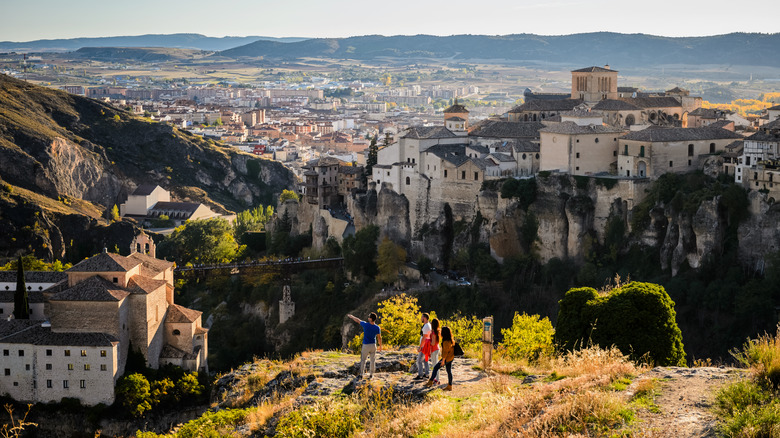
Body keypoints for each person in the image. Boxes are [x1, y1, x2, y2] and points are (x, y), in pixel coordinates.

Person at [347, 312, 382, 379]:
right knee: (372, 360)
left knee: (363, 360)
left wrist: (352, 316)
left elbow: (358, 320)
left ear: (371, 319)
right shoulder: (377, 327)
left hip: (366, 345)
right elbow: (379, 338)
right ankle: (371, 374)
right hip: (373, 345)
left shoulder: (365, 325)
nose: (368, 318)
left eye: (369, 317)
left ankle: (361, 374)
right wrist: (380, 347)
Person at [425, 326, 454, 391]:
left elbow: (445, 352)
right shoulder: (450, 339)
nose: (440, 333)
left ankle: (430, 382)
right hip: (450, 358)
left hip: (446, 358)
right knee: (449, 371)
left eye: (441, 331)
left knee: (435, 368)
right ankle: (450, 386)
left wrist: (443, 361)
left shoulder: (446, 342)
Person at [413, 312, 432, 380]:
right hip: (427, 345)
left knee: (419, 361)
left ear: (424, 318)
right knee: (425, 360)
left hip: (424, 345)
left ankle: (420, 375)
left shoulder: (426, 326)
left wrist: (420, 347)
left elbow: (424, 337)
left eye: (422, 317)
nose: (421, 318)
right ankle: (427, 374)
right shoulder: (428, 325)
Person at [428, 318, 441, 384]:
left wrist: (427, 342)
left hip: (434, 349)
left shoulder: (433, 332)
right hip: (437, 348)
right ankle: (437, 378)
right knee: (436, 365)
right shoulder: (438, 331)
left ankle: (437, 379)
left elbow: (433, 343)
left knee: (435, 365)